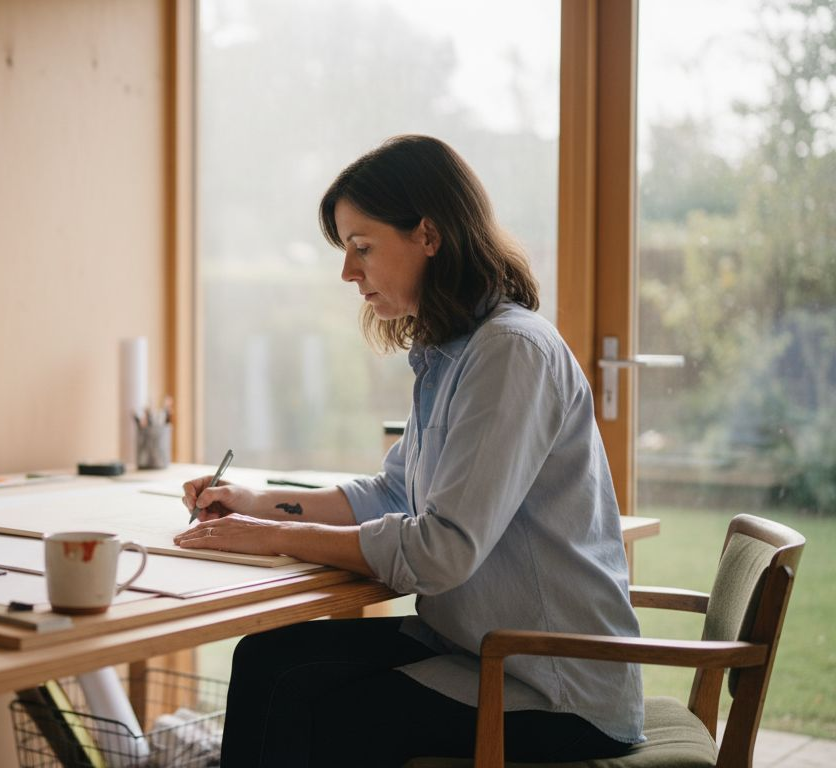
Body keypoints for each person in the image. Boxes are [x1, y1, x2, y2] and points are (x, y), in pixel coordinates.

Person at [173, 135, 644, 767]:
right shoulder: (451, 351)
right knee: (267, 660)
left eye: (362, 247)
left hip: (550, 686)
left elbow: (441, 550)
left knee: (317, 715)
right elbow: (394, 493)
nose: (347, 272)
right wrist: (260, 503)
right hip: (476, 646)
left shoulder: (510, 353)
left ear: (428, 234)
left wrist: (271, 536)